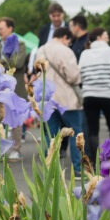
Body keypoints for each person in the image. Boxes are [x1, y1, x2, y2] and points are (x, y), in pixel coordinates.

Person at [34, 26, 83, 175]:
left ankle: (50, 168)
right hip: (66, 99)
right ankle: (78, 168)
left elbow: (37, 72)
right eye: (69, 42)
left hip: (47, 98)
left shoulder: (40, 50)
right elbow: (74, 76)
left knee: (51, 135)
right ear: (65, 37)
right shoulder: (66, 51)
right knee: (76, 133)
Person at [78, 27, 110, 163]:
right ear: (99, 37)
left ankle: (93, 159)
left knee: (92, 130)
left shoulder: (85, 54)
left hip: (90, 95)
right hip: (109, 94)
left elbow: (81, 74)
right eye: (106, 35)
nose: (108, 37)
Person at [0, 16, 29, 160]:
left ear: (10, 28)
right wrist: (2, 63)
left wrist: (0, 63)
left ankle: (16, 148)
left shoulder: (20, 44)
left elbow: (18, 63)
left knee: (16, 120)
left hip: (15, 87)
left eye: (1, 28)